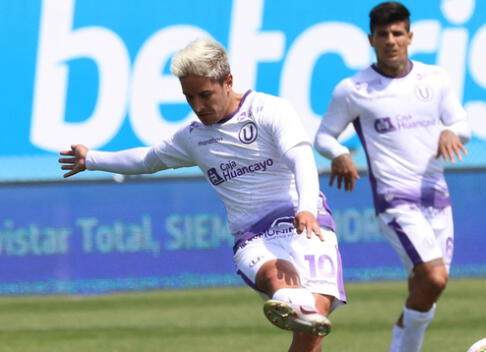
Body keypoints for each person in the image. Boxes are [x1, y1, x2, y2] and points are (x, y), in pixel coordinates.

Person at [59, 38, 346, 352]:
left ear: (228, 82)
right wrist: (91, 159)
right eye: (189, 97)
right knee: (277, 277)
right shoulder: (193, 137)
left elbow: (301, 157)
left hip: (305, 222)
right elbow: (147, 160)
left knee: (312, 332)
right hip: (252, 235)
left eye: (205, 94)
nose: (197, 106)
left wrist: (305, 208)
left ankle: (298, 305)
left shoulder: (269, 110)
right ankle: (293, 301)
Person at [314, 2, 471, 352]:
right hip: (395, 202)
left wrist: (452, 134)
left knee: (428, 289)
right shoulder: (353, 89)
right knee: (433, 277)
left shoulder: (435, 78)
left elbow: (462, 125)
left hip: (437, 199)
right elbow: (324, 135)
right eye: (382, 34)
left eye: (397, 33)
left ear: (410, 36)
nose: (391, 40)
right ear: (371, 39)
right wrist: (339, 154)